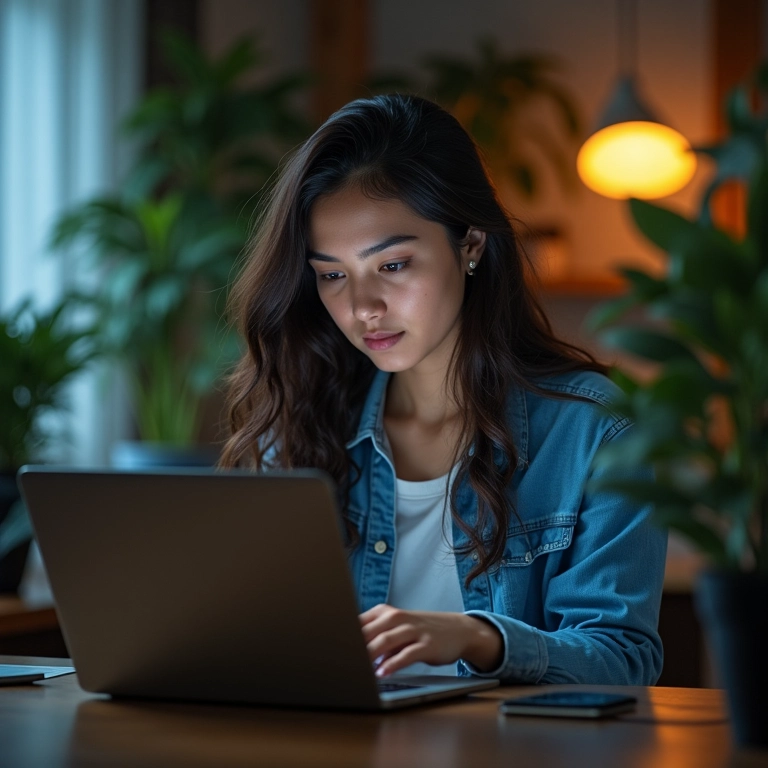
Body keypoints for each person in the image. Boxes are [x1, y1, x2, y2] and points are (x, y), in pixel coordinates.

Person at [220, 94, 666, 685]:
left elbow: (622, 658)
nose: (362, 306)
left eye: (393, 265)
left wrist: (480, 638)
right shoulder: (301, 425)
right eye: (332, 274)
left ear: (471, 244)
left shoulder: (596, 431)